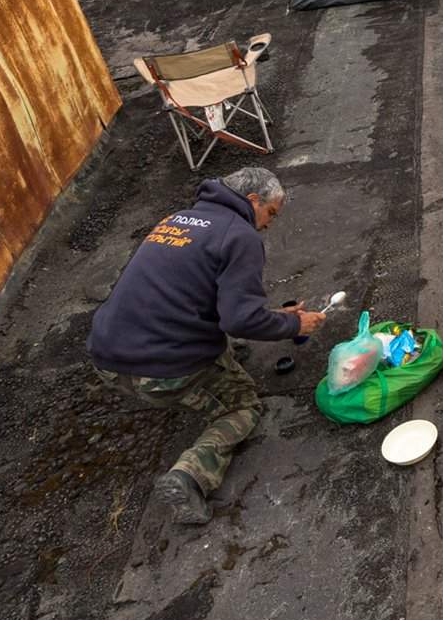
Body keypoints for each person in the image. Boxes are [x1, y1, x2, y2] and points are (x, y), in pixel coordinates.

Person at [88, 167, 325, 526]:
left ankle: (192, 380)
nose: (268, 225)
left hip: (106, 356)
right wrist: (294, 323)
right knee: (244, 406)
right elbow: (239, 321)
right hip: (157, 371)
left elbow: (195, 294)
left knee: (222, 349)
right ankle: (191, 475)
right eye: (270, 214)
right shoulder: (240, 237)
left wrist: (273, 315)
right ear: (253, 201)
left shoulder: (179, 219)